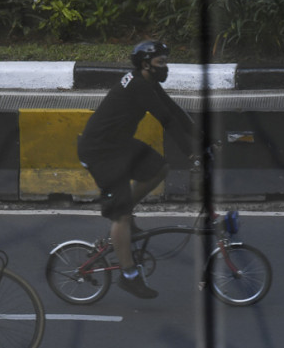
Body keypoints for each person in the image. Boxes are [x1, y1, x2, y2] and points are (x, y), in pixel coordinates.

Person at [77, 40, 202, 299]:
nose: (165, 67)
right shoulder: (138, 86)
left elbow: (174, 110)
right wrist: (192, 153)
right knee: (120, 215)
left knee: (159, 168)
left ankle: (123, 213)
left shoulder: (145, 80)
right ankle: (128, 275)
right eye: (161, 62)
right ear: (146, 64)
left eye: (166, 61)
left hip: (119, 145)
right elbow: (166, 120)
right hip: (100, 152)